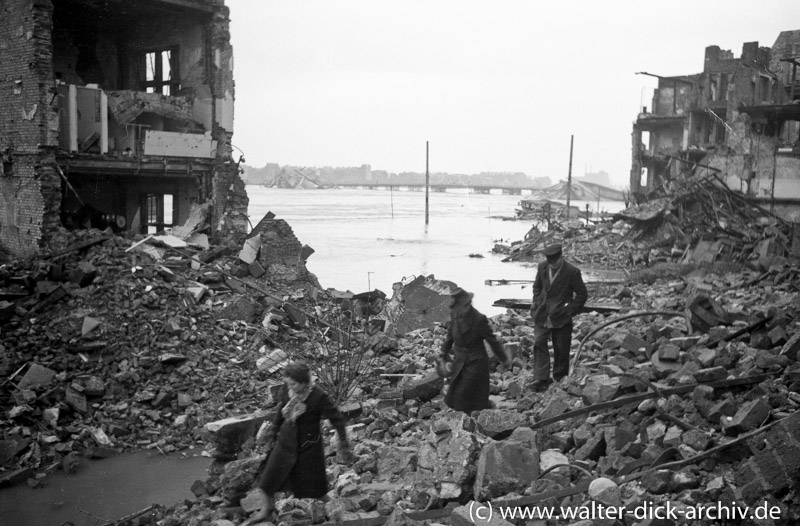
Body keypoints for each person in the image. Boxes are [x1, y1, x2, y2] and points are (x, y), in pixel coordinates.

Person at [243, 361, 352, 526]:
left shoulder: (318, 396)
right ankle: (267, 510)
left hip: (308, 448)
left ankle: (336, 511)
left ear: (304, 382)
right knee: (267, 480)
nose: (290, 387)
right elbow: (281, 411)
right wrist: (273, 432)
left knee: (316, 489)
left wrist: (343, 443)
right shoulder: (288, 391)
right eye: (288, 383)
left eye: (294, 383)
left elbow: (337, 419)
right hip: (285, 444)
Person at [438, 287, 512, 412]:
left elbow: (492, 340)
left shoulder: (479, 319)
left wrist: (504, 359)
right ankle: (470, 416)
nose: (462, 309)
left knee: (463, 394)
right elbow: (450, 337)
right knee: (454, 393)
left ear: (468, 304)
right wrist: (443, 352)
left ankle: (469, 421)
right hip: (459, 360)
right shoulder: (455, 315)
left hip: (476, 363)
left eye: (465, 306)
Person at [529, 243, 588, 391]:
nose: (552, 264)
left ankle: (560, 379)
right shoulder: (542, 267)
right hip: (542, 314)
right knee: (539, 342)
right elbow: (537, 287)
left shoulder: (572, 272)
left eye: (554, 261)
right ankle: (541, 378)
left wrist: (570, 310)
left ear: (560, 257)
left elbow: (582, 294)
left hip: (562, 316)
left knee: (561, 348)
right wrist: (537, 301)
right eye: (550, 261)